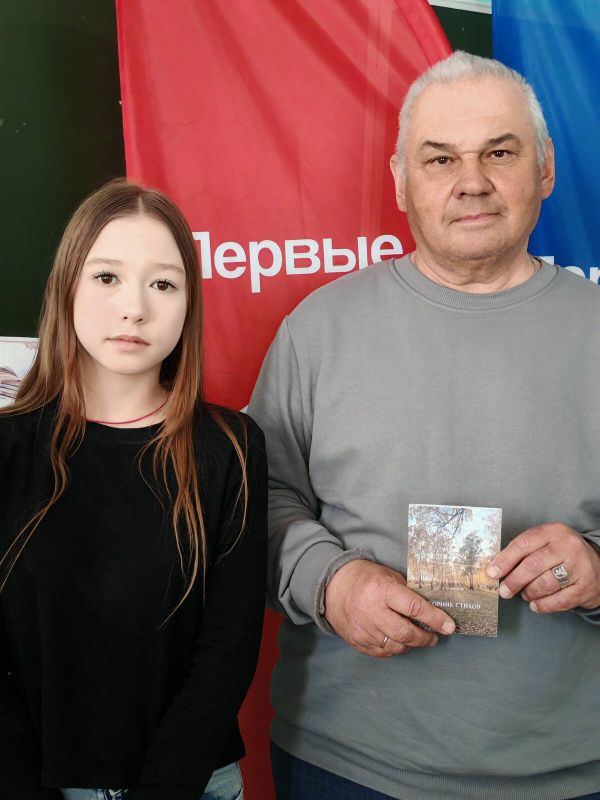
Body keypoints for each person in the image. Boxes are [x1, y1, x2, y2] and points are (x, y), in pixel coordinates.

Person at [248, 51, 600, 800]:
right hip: (346, 766)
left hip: (576, 771)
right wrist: (330, 582)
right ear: (401, 180)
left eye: (499, 153)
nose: (471, 181)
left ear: (544, 168)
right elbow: (254, 500)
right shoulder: (319, 329)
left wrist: (598, 568)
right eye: (440, 159)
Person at [0, 179, 267, 800]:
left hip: (194, 785)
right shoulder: (9, 449)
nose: (135, 308)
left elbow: (227, 648)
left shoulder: (229, 447)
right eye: (107, 277)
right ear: (66, 286)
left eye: (163, 284)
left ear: (188, 303)